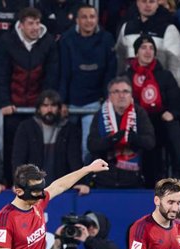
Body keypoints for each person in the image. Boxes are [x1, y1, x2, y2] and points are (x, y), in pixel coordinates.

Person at [0, 6, 59, 182]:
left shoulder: (48, 42)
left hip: (36, 107)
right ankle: (11, 182)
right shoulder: (7, 42)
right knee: (12, 147)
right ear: (21, 25)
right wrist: (4, 102)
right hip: (13, 107)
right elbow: (1, 75)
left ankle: (38, 184)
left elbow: (51, 76)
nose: (35, 27)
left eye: (37, 23)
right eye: (30, 23)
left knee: (37, 147)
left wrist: (44, 104)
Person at [58, 4, 116, 164]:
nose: (88, 21)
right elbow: (63, 72)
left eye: (92, 17)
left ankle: (86, 180)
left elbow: (110, 73)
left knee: (87, 147)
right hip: (70, 102)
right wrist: (62, 101)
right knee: (65, 145)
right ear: (77, 20)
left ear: (97, 19)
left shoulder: (107, 38)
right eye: (84, 17)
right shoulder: (67, 39)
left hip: (94, 102)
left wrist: (106, 98)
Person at [123, 34, 180, 184]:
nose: (148, 51)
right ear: (136, 52)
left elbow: (178, 104)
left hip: (160, 121)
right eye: (143, 48)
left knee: (172, 127)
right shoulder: (126, 76)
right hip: (137, 123)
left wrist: (172, 113)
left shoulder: (165, 75)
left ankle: (178, 176)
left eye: (151, 48)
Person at [11, 89, 88, 193]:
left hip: (60, 188)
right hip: (32, 188)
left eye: (53, 106)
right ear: (39, 109)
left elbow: (74, 159)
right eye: (45, 106)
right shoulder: (26, 128)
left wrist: (80, 182)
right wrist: (18, 183)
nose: (49, 109)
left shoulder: (69, 129)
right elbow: (18, 159)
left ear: (59, 109)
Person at [88, 76, 155, 188]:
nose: (121, 95)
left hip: (133, 177)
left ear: (131, 95)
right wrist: (112, 140)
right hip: (104, 178)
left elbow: (150, 142)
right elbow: (92, 145)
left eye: (125, 91)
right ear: (110, 95)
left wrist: (134, 139)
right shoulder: (100, 115)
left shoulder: (140, 113)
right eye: (116, 91)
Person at [116, 0, 180, 87]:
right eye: (144, 1)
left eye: (151, 2)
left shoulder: (169, 29)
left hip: (158, 90)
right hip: (130, 89)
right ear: (137, 3)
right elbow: (120, 60)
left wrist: (172, 91)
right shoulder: (126, 28)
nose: (147, 5)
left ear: (157, 4)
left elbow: (176, 65)